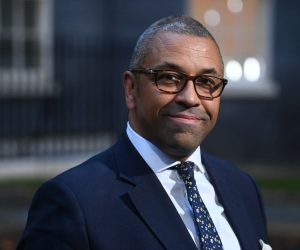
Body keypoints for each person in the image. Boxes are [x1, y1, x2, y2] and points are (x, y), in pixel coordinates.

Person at [17, 16, 271, 250]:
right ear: (131, 89)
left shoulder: (242, 186)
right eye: (170, 77)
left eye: (206, 82)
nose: (190, 97)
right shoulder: (74, 202)